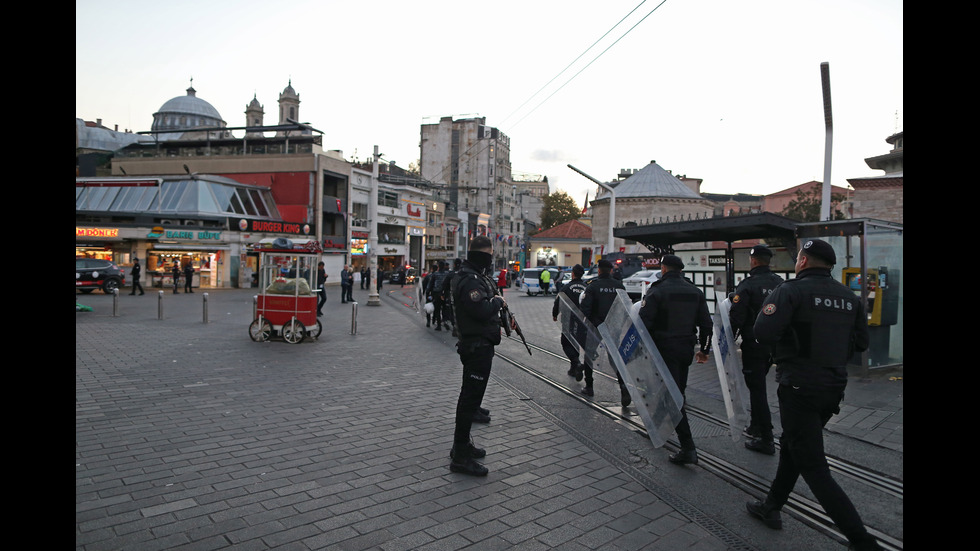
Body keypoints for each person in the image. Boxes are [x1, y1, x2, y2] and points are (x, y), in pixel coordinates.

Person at [746, 239, 880, 551]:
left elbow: (762, 331)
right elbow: (861, 344)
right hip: (833, 386)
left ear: (803, 261)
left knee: (813, 464)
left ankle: (862, 541)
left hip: (799, 385)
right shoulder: (849, 296)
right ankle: (771, 506)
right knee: (794, 446)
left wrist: (788, 348)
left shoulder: (791, 291)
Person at [638, 254, 712, 466]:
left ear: (663, 268)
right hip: (686, 349)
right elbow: (707, 325)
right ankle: (658, 427)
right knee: (676, 389)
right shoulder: (695, 291)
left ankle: (688, 448)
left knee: (673, 396)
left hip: (663, 349)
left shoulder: (657, 290)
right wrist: (704, 350)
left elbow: (643, 324)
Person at [447, 236, 509, 476]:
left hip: (477, 345)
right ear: (484, 255)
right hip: (476, 347)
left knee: (468, 400)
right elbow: (481, 309)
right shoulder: (471, 280)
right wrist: (497, 301)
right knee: (469, 403)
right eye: (490, 254)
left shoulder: (469, 275)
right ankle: (460, 457)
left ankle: (461, 446)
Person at [729, 244, 784, 455]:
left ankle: (766, 438)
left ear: (753, 260)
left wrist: (729, 342)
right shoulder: (780, 284)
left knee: (757, 387)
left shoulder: (747, 285)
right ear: (768, 261)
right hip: (775, 345)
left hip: (754, 344)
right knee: (758, 385)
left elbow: (737, 317)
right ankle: (755, 425)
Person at [579, 259, 628, 402]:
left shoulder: (593, 286)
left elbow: (585, 309)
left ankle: (589, 386)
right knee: (615, 359)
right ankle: (624, 386)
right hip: (613, 327)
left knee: (589, 356)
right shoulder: (619, 286)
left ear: (599, 270)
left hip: (596, 327)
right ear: (611, 270)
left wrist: (590, 323)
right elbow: (624, 309)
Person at [552, 264, 588, 380]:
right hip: (582, 320)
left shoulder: (566, 287)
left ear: (573, 273)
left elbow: (558, 300)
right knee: (575, 342)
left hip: (568, 319)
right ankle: (574, 368)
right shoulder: (586, 287)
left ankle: (576, 363)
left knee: (566, 342)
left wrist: (555, 313)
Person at [428, 261, 452, 331]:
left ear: (438, 266)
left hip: (437, 293)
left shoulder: (435, 274)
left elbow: (431, 284)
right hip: (445, 293)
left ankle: (439, 325)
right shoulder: (448, 274)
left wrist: (428, 292)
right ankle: (445, 321)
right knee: (445, 308)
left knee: (437, 309)